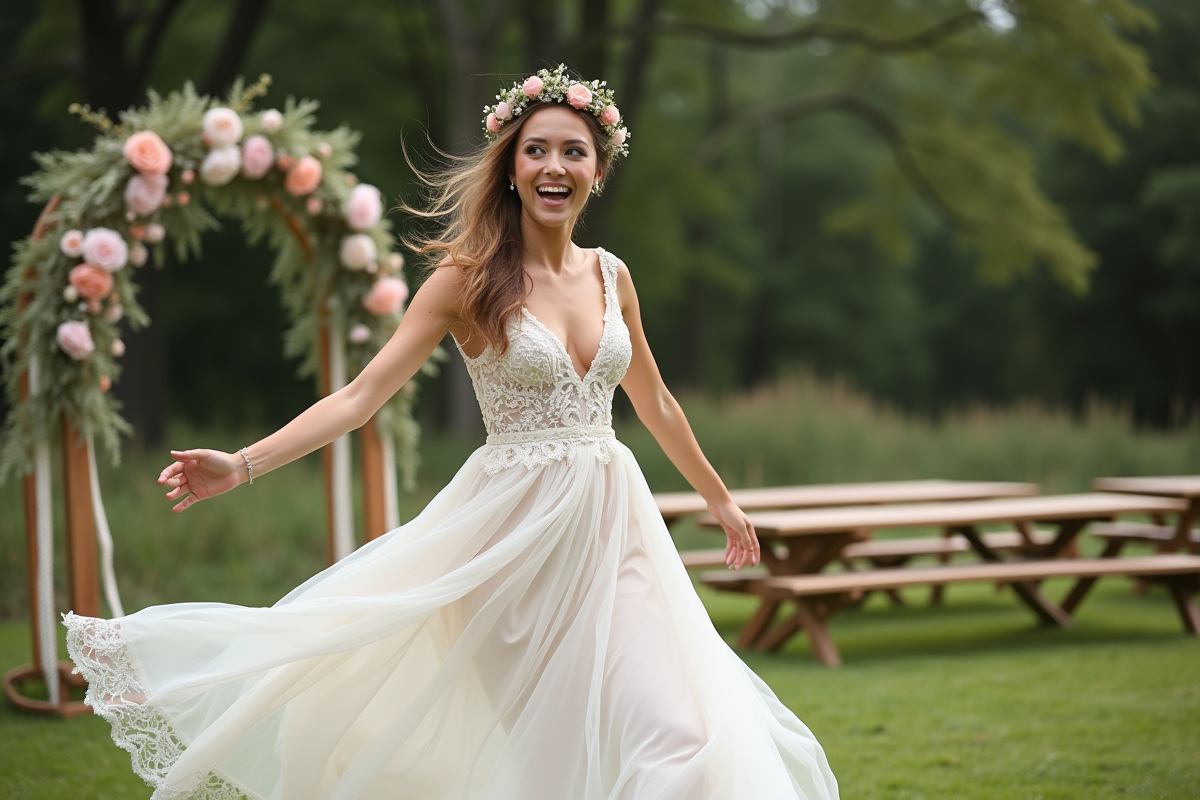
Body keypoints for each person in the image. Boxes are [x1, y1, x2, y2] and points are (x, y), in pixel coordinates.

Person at [64, 65, 839, 800]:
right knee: (555, 757)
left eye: (574, 151)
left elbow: (658, 403)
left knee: (679, 732)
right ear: (512, 167)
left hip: (615, 528)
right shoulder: (465, 281)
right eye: (536, 150)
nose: (554, 166)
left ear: (597, 172)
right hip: (511, 543)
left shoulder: (613, 275)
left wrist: (722, 501)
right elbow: (363, 395)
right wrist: (242, 462)